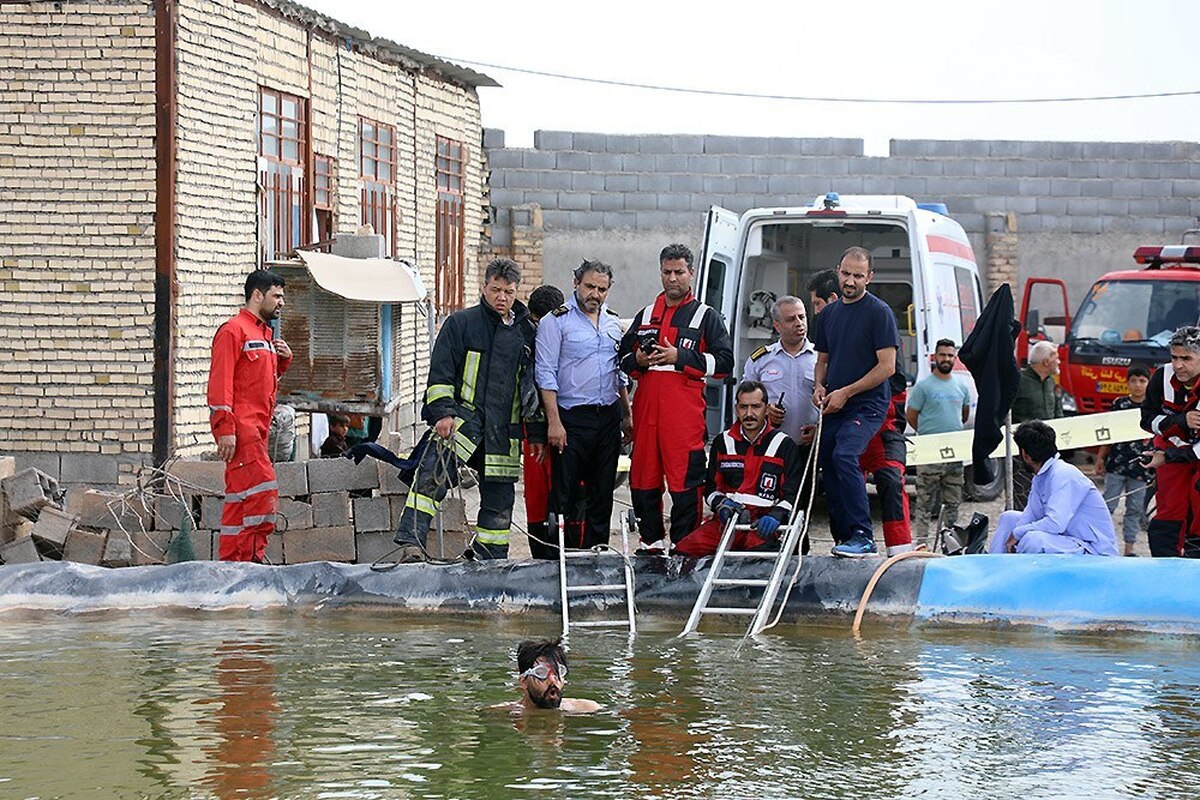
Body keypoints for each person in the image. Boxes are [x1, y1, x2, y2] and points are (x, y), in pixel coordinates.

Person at [392, 258, 545, 562]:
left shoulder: (526, 333)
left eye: (508, 292)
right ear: (484, 287)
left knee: (499, 503)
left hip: (504, 433)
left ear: (517, 292)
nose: (501, 297)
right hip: (463, 425)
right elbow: (440, 374)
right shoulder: (462, 324)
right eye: (495, 289)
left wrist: (537, 432)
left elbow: (533, 387)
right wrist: (442, 413)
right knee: (430, 479)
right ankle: (411, 545)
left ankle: (490, 560)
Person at [619, 244, 733, 551]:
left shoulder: (706, 316)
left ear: (691, 273)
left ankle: (684, 549)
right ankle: (651, 545)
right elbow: (621, 360)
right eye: (667, 272)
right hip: (646, 417)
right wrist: (639, 361)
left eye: (679, 272)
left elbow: (724, 365)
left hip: (683, 421)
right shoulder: (644, 315)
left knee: (685, 486)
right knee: (643, 483)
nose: (672, 279)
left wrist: (679, 356)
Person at [811, 246, 901, 558]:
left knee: (846, 454)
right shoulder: (828, 315)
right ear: (838, 270)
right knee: (830, 463)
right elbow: (822, 359)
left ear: (870, 278)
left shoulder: (879, 313)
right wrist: (819, 386)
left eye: (858, 276)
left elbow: (887, 367)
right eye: (846, 274)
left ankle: (863, 535)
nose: (850, 281)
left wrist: (846, 391)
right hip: (834, 402)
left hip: (868, 405)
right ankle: (843, 537)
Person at [536, 261, 632, 550]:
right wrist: (554, 422)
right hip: (571, 418)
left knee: (602, 492)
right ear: (576, 282)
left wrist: (627, 415)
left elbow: (620, 373)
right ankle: (560, 556)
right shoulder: (555, 322)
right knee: (564, 493)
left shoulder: (614, 322)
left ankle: (596, 554)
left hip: (607, 417)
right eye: (590, 286)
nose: (595, 294)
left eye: (602, 289)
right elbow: (545, 373)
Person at [207, 270, 292, 563]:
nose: (281, 303)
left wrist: (283, 361)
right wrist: (225, 430)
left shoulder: (263, 334)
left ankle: (230, 565)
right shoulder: (233, 331)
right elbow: (220, 385)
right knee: (262, 494)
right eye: (276, 296)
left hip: (257, 430)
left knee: (239, 501)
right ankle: (250, 564)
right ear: (257, 295)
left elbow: (257, 382)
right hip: (243, 432)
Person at [675, 381, 801, 558]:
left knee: (758, 561)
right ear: (736, 409)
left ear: (767, 409)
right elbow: (711, 489)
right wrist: (721, 505)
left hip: (762, 525)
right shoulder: (722, 442)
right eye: (743, 407)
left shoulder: (784, 444)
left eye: (756, 407)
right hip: (727, 521)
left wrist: (776, 516)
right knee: (682, 552)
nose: (749, 414)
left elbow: (792, 494)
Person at [987, 420, 1117, 555]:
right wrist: (1016, 533)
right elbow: (1031, 514)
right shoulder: (1041, 475)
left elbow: (1055, 524)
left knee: (1033, 540)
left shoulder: (1063, 474)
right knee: (1009, 518)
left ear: (1025, 455)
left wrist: (1018, 534)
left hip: (1093, 549)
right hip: (1069, 539)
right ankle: (994, 565)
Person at [1140, 327, 1200, 558]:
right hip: (1171, 452)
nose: (1178, 365)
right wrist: (1179, 421)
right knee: (1169, 510)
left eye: (1186, 358)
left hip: (1187, 456)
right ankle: (1165, 566)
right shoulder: (1161, 377)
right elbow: (1146, 419)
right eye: (1174, 357)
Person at [907, 339, 972, 542]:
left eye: (950, 355)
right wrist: (927, 434)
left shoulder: (962, 386)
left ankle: (950, 542)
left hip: (954, 452)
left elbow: (964, 414)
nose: (946, 359)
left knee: (953, 502)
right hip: (929, 452)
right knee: (925, 502)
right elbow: (911, 415)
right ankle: (922, 543)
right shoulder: (923, 387)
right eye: (942, 355)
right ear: (935, 357)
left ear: (955, 358)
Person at [522, 284, 566, 559]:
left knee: (548, 495)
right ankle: (543, 555)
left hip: (559, 427)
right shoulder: (527, 340)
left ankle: (552, 552)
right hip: (540, 430)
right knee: (539, 496)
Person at [742, 296, 818, 449]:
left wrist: (820, 429)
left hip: (810, 446)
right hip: (770, 446)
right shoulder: (760, 360)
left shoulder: (820, 358)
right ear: (777, 325)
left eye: (802, 317)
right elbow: (743, 402)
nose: (799, 323)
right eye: (791, 319)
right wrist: (764, 411)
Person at [1095, 365, 1151, 556]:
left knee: (1134, 508)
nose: (1137, 385)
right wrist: (1100, 458)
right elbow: (1108, 434)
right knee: (1107, 504)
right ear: (1127, 383)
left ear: (1148, 383)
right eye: (1133, 381)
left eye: (1142, 381)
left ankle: (1129, 549)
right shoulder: (1119, 404)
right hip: (1117, 464)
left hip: (1142, 466)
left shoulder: (1152, 406)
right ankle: (1098, 542)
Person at [1012, 340, 1064, 508]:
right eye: (1056, 357)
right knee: (1024, 497)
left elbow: (1057, 411)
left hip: (1048, 451)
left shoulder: (1050, 382)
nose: (1059, 362)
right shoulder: (1018, 381)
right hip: (1023, 454)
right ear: (1046, 361)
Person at [490, 638, 602, 713]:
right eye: (541, 673)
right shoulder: (502, 713)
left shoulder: (588, 708)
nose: (553, 680)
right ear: (523, 681)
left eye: (559, 672)